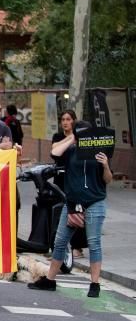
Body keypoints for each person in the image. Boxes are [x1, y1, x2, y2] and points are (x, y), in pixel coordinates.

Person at [28, 120, 113, 298]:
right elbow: (54, 152)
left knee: (94, 243)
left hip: (95, 202)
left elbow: (108, 180)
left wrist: (105, 165)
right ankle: (50, 280)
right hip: (72, 203)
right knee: (59, 241)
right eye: (80, 133)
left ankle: (95, 284)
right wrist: (73, 137)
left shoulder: (99, 153)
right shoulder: (71, 152)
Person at [49, 110, 88, 258]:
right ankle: (59, 246)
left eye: (68, 119)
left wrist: (76, 136)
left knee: (77, 212)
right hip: (60, 178)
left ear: (74, 121)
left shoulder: (82, 139)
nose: (65, 122)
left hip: (76, 178)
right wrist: (71, 137)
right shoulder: (58, 136)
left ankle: (77, 246)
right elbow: (54, 149)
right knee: (61, 213)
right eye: (63, 119)